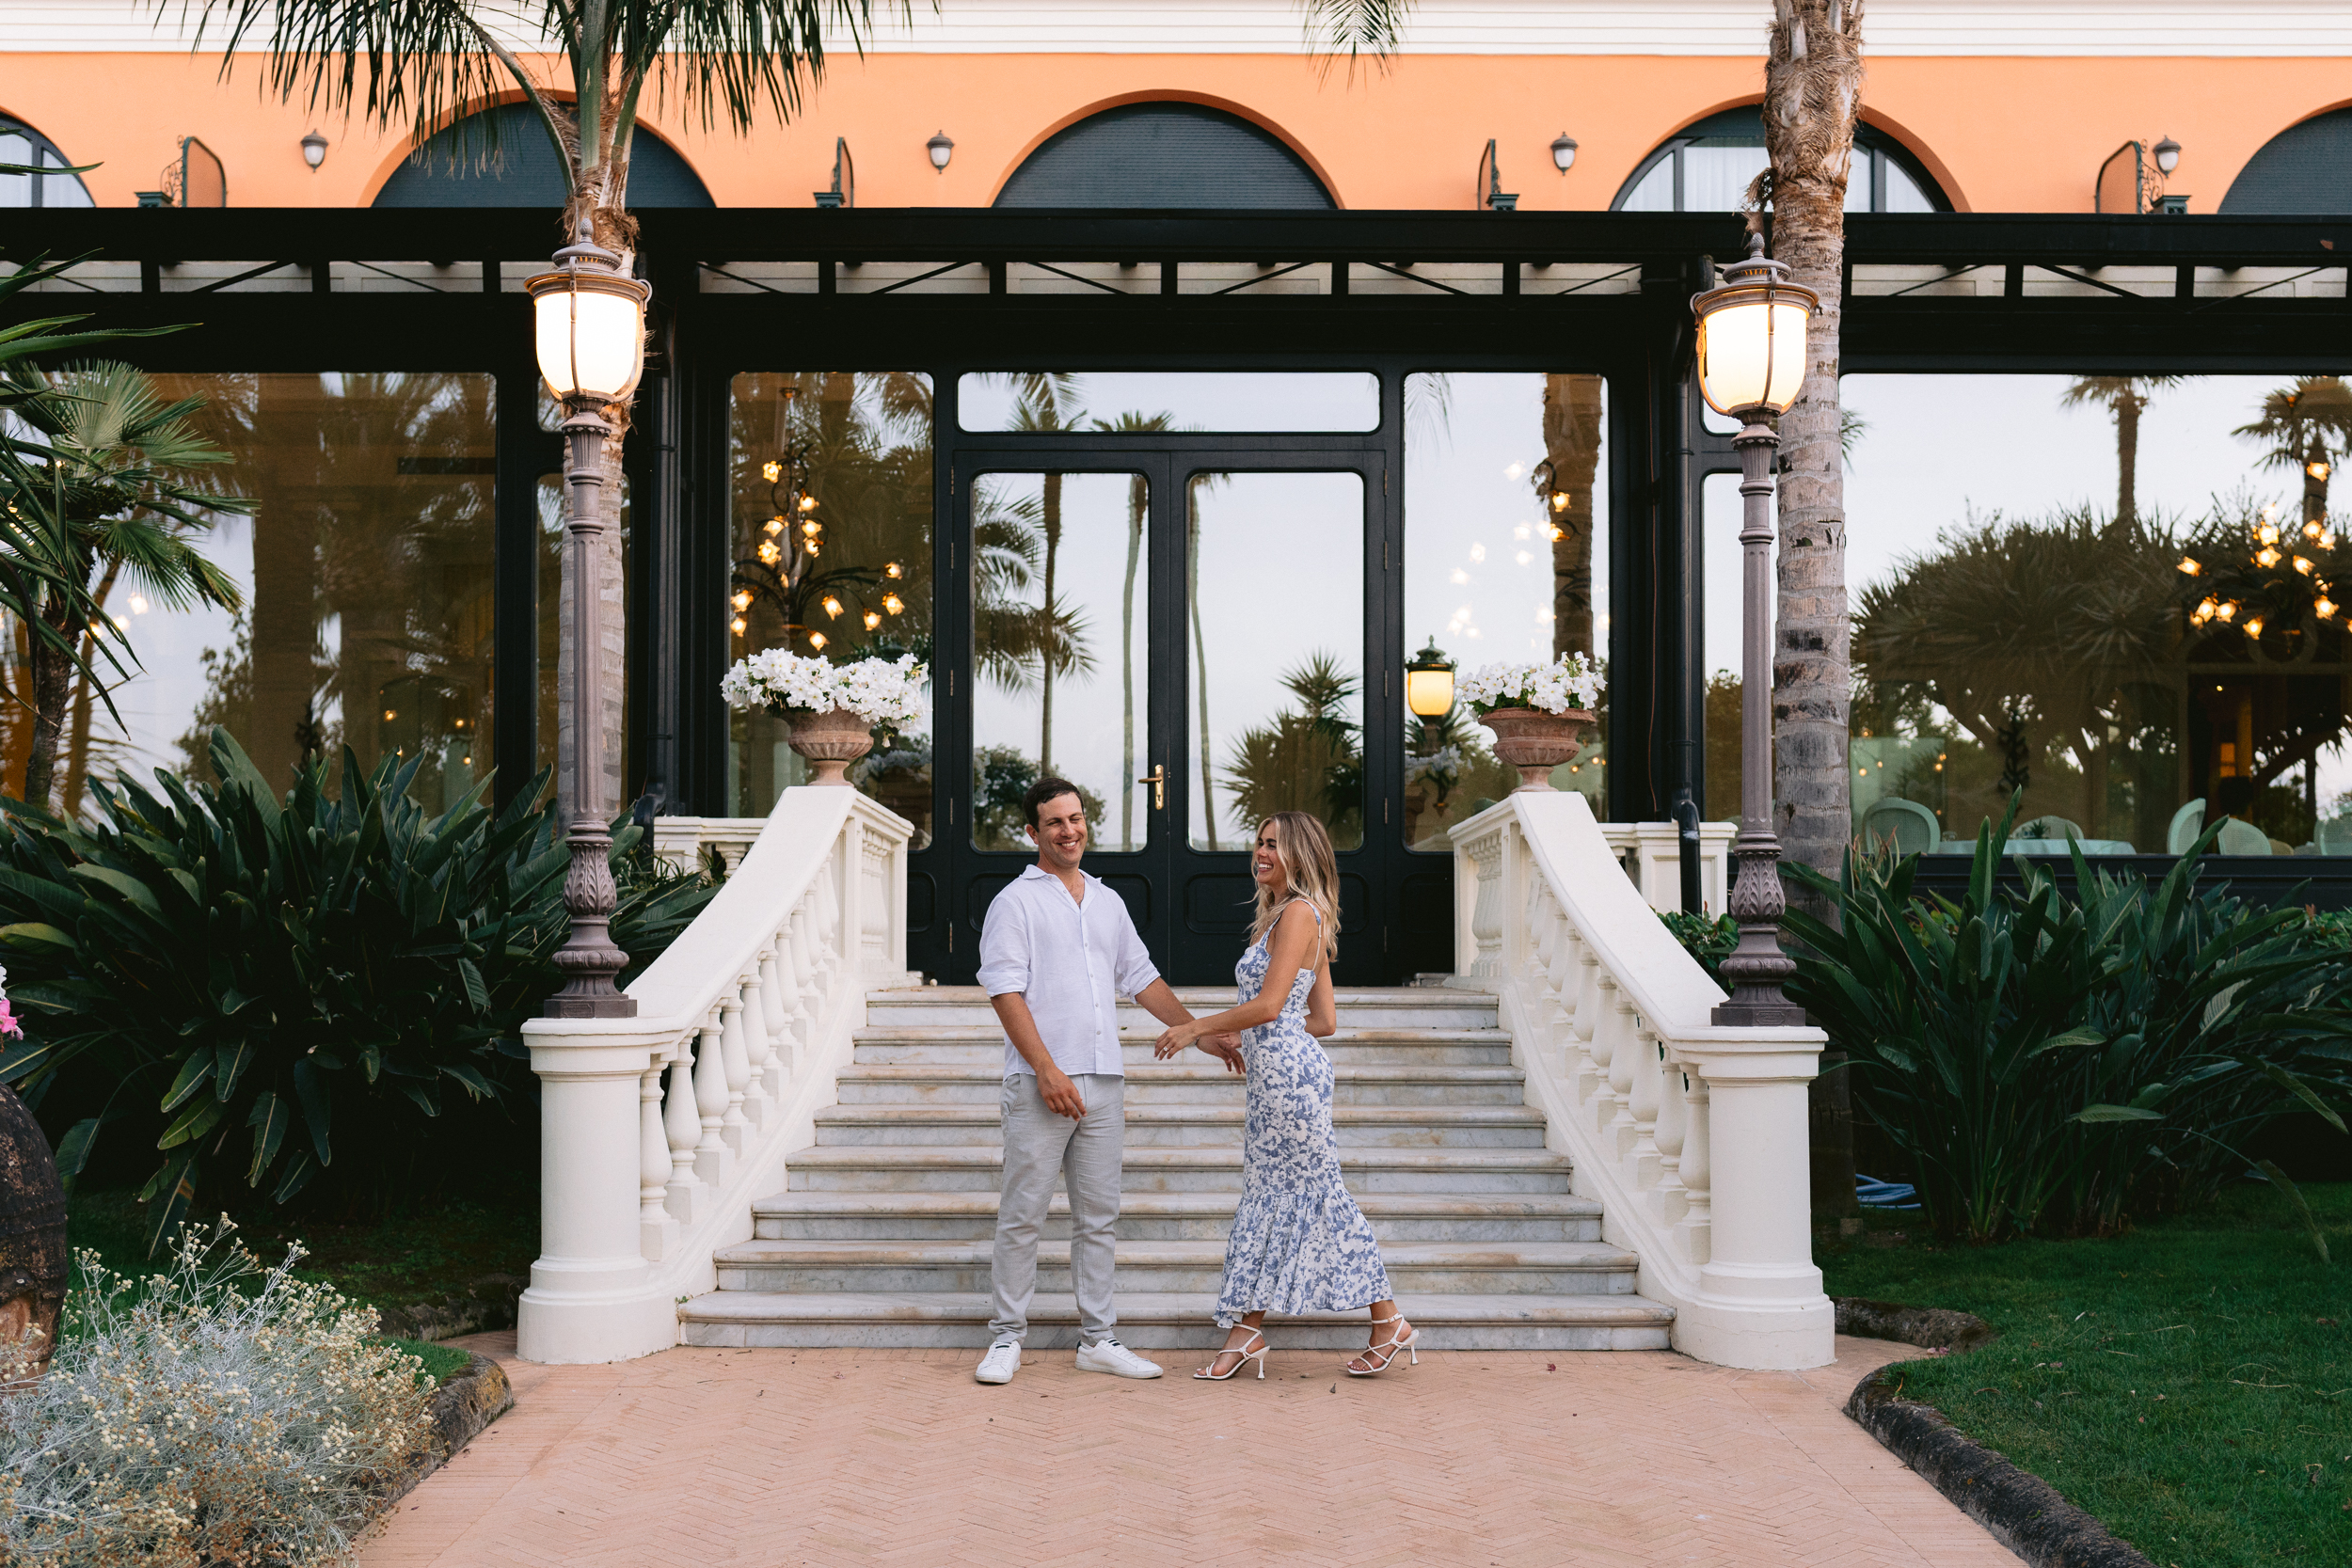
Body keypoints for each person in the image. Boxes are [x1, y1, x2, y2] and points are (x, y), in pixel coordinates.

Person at [972, 776, 1239, 1386]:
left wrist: (1199, 1030)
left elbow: (1140, 976)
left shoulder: (1106, 900)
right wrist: (1045, 1069)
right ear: (1033, 832)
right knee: (1023, 1214)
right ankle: (1007, 1338)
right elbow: (1005, 990)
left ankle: (1098, 1339)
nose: (1070, 830)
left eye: (1077, 817)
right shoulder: (1015, 902)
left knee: (1098, 1217)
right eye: (1056, 822)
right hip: (1042, 1081)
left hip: (1104, 1080)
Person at [1152, 811, 1416, 1381]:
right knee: (1282, 1196)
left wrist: (1196, 1028)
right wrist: (1249, 1036)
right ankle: (1274, 1328)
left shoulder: (1299, 914)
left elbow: (1274, 1006)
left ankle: (1366, 1321)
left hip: (1290, 1083)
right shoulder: (1287, 917)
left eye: (1275, 844)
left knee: (1307, 1195)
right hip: (1282, 1076)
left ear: (1300, 854)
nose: (1262, 852)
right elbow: (1321, 1021)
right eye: (1260, 842)